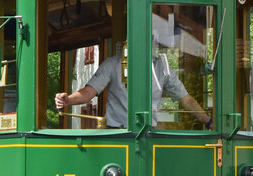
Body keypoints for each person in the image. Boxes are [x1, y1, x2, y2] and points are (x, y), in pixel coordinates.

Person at [54, 52, 213, 130]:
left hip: (149, 135)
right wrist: (68, 100)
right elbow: (89, 91)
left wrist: (209, 122)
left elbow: (186, 100)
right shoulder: (112, 64)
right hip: (117, 135)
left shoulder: (162, 67)